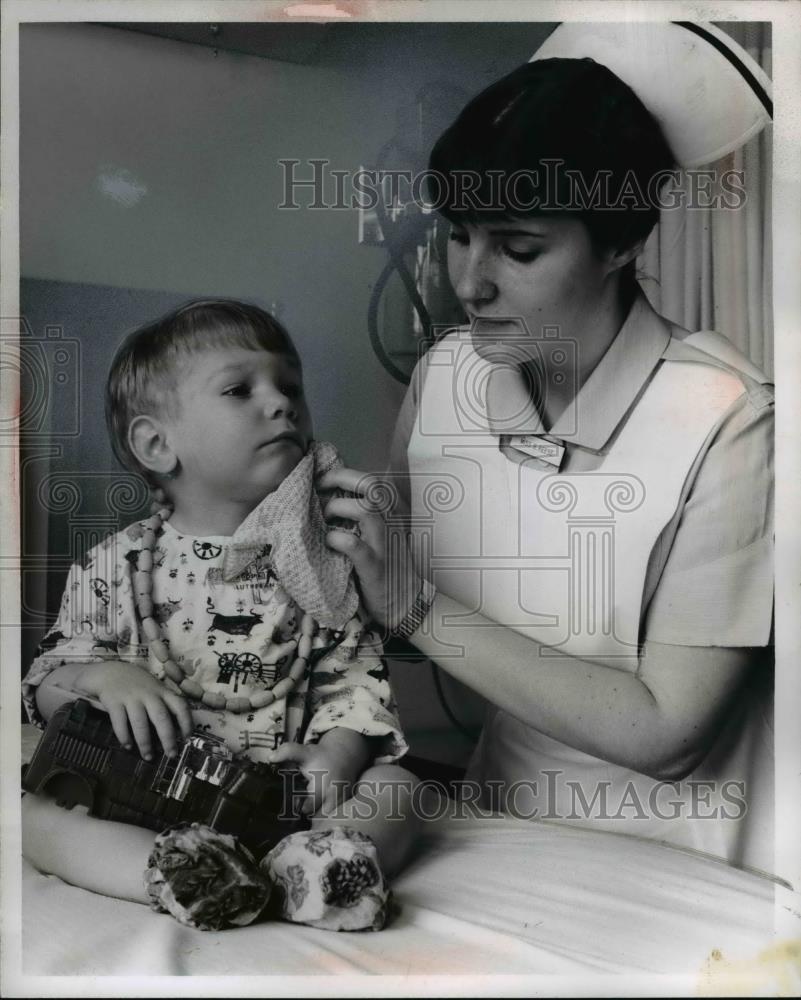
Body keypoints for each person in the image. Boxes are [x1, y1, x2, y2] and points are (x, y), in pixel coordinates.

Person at [322, 34, 775, 874]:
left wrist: (413, 605)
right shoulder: (448, 377)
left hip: (688, 858)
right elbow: (395, 624)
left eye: (518, 248)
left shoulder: (730, 422)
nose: (469, 281)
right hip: (500, 824)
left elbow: (664, 732)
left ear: (620, 243)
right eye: (459, 235)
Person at [21, 299, 421, 931]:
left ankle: (322, 865)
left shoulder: (322, 568)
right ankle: (182, 874)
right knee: (32, 817)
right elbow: (46, 687)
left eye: (290, 387)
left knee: (402, 789)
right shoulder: (116, 564)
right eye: (241, 389)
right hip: (147, 797)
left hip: (286, 803)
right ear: (157, 443)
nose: (282, 402)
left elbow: (355, 691)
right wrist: (101, 679)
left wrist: (337, 758)